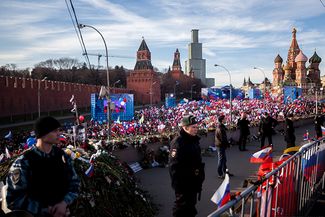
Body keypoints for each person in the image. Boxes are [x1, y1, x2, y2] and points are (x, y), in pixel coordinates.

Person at [5, 116, 80, 217]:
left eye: (59, 130)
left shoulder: (63, 156)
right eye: (54, 131)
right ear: (42, 134)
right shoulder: (24, 162)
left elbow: (75, 184)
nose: (59, 133)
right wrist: (44, 210)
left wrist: (64, 203)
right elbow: (14, 199)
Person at [169, 115, 205, 217]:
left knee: (190, 208)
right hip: (183, 185)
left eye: (196, 127)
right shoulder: (178, 142)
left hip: (193, 182)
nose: (196, 129)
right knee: (181, 209)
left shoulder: (193, 140)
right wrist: (178, 187)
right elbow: (173, 167)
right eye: (193, 127)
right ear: (185, 127)